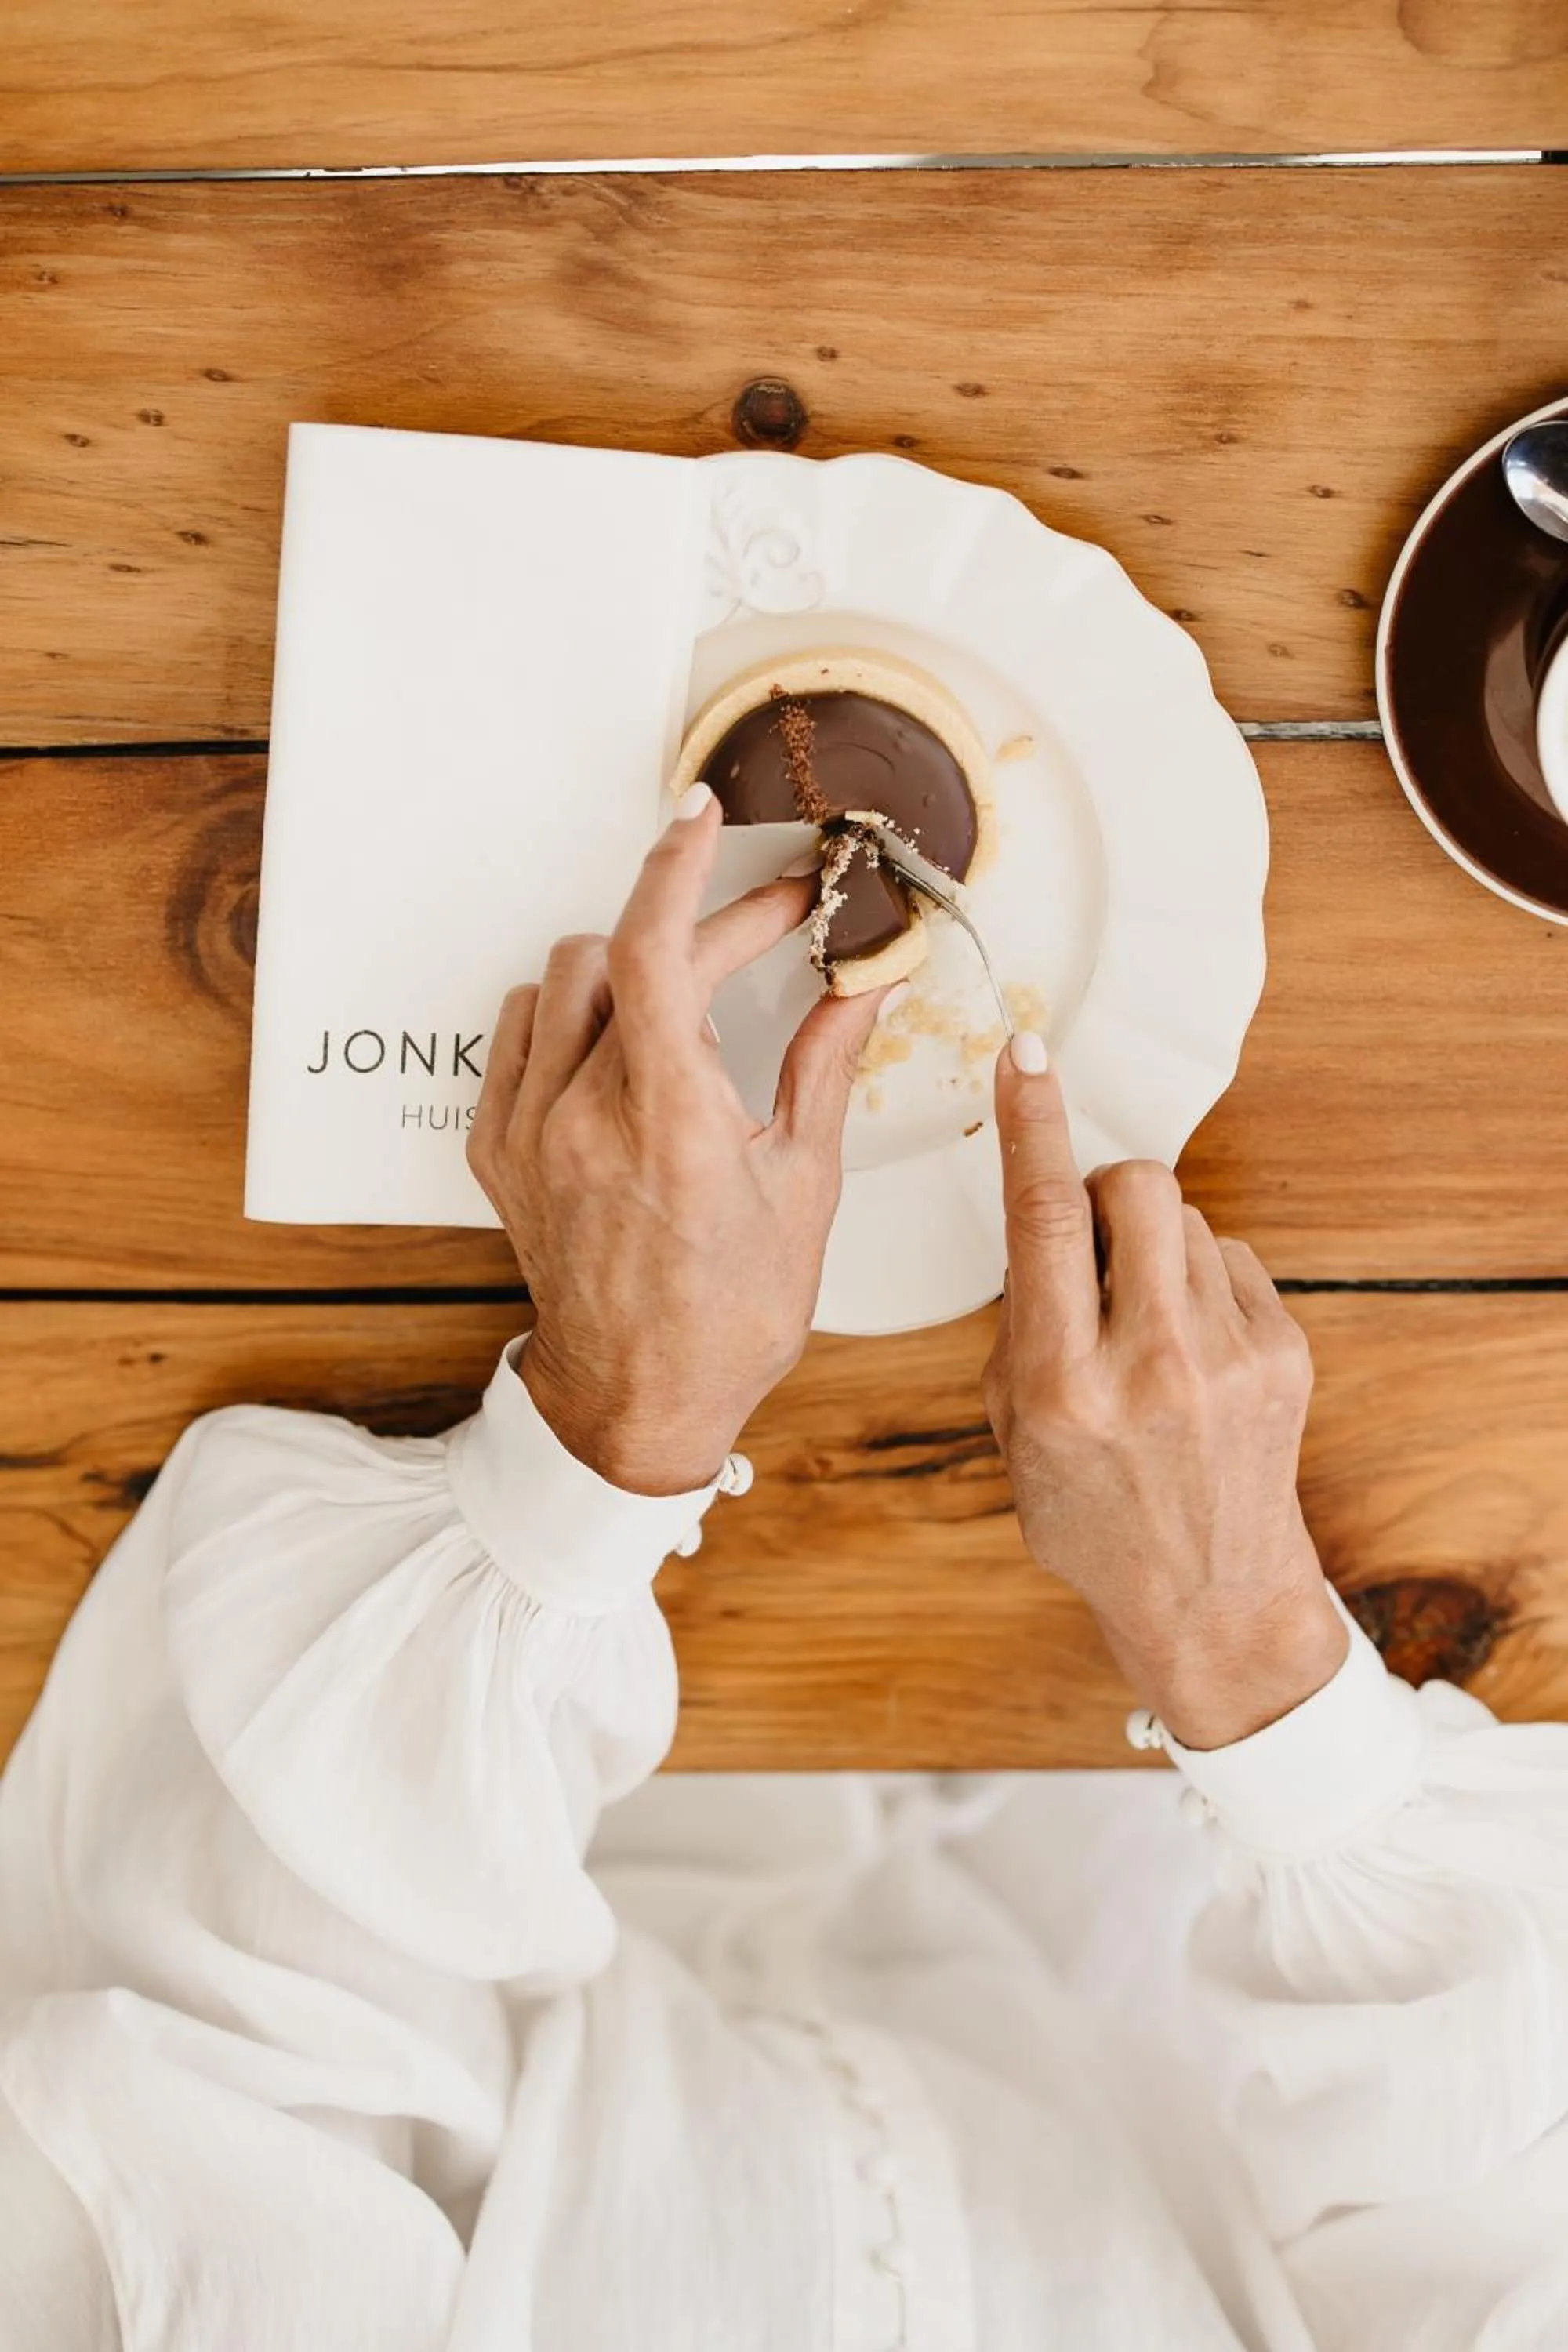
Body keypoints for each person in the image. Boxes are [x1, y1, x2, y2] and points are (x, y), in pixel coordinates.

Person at [2, 781, 1564, 2352]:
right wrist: (1245, 1646)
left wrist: (607, 1434)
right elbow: (1513, 2191)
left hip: (511, 1705)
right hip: (1138, 1779)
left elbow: (212, 2020)